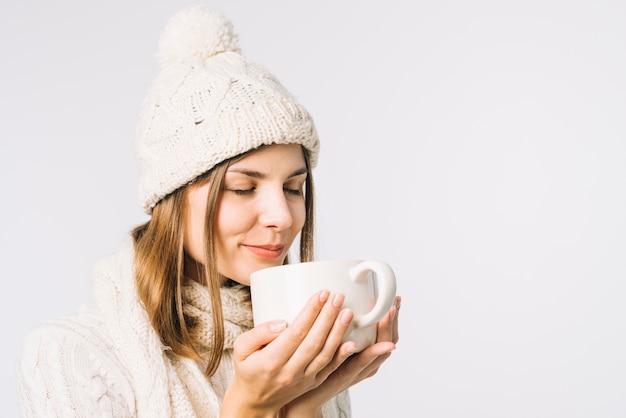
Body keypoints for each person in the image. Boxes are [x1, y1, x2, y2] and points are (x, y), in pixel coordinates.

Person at [17, 5, 401, 417]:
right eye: (243, 187)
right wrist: (249, 408)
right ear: (173, 197)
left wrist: (304, 401)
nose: (284, 217)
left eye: (293, 188)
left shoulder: (304, 353)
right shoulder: (71, 355)